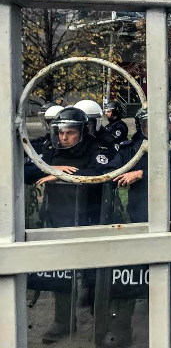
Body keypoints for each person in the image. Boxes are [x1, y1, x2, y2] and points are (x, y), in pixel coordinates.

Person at [24, 107, 114, 344]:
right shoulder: (51, 151)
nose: (64, 138)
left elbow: (102, 173)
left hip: (89, 220)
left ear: (82, 132)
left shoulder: (96, 148)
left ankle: (100, 324)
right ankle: (63, 321)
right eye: (61, 132)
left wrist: (63, 176)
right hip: (57, 219)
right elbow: (25, 171)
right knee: (60, 275)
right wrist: (51, 169)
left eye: (70, 133)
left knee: (93, 275)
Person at [98, 108, 171, 347]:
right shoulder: (130, 149)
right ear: (141, 126)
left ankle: (164, 328)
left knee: (165, 277)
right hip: (136, 220)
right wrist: (127, 171)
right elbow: (108, 172)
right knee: (130, 278)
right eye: (149, 124)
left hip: (170, 221)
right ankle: (121, 329)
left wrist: (142, 174)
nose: (156, 129)